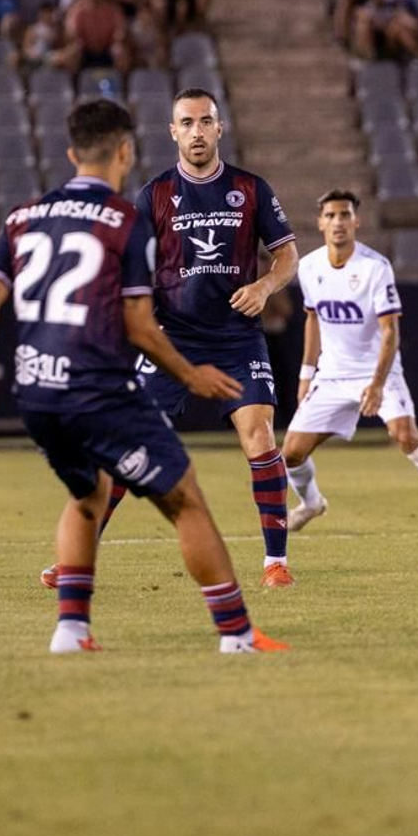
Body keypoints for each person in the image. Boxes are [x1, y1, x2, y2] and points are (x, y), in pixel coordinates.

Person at [0, 99, 287, 655]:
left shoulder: (22, 216)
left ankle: (70, 630)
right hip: (99, 384)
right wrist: (189, 374)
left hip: (35, 389)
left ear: (72, 152)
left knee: (87, 492)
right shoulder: (127, 220)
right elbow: (140, 327)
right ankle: (237, 635)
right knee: (185, 499)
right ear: (126, 150)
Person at [134, 89, 301, 588]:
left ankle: (276, 562)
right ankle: (78, 557)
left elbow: (288, 255)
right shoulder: (154, 194)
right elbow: (131, 268)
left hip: (236, 339)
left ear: (220, 128)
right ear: (173, 132)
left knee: (260, 438)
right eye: (187, 123)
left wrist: (265, 285)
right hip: (172, 338)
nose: (197, 131)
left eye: (206, 121)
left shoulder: (250, 188)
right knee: (129, 440)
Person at [283, 190, 418, 536]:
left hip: (378, 370)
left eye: (344, 215)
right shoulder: (310, 266)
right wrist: (306, 374)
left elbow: (390, 332)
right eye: (330, 216)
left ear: (356, 221)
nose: (338, 222)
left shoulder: (375, 267)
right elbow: (312, 320)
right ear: (320, 223)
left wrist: (375, 385)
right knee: (291, 454)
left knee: (404, 435)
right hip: (332, 375)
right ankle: (312, 503)